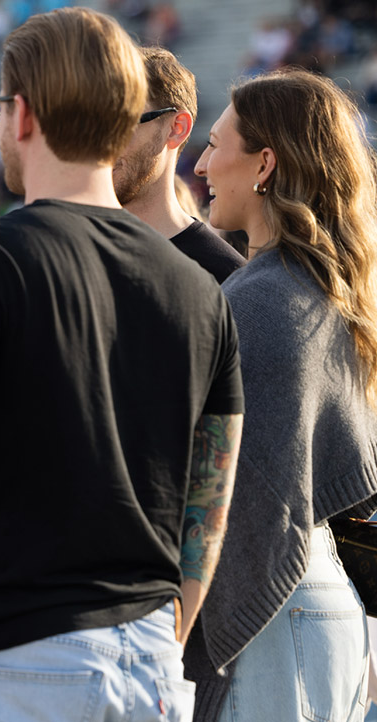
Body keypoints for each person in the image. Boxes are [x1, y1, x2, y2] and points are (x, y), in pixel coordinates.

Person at [0, 8, 245, 720]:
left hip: (20, 659)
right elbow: (210, 505)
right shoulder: (200, 286)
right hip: (150, 662)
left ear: (24, 116)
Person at [185, 67, 377, 722]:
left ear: (264, 163)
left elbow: (252, 508)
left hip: (274, 620)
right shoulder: (318, 285)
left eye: (216, 145)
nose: (202, 163)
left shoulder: (263, 298)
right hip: (317, 610)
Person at [114, 45, 246, 283]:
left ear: (177, 128)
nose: (101, 143)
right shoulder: (59, 252)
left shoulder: (225, 278)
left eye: (120, 123)